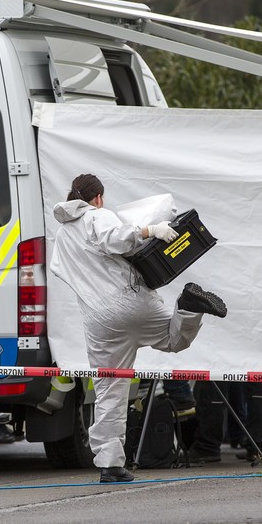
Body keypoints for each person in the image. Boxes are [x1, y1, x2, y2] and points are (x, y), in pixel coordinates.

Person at [49, 174, 227, 483]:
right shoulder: (96, 215)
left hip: (99, 319)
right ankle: (187, 306)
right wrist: (149, 230)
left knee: (108, 387)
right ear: (98, 197)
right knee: (174, 340)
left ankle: (110, 463)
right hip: (130, 301)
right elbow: (114, 238)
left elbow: (64, 270)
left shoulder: (63, 237)